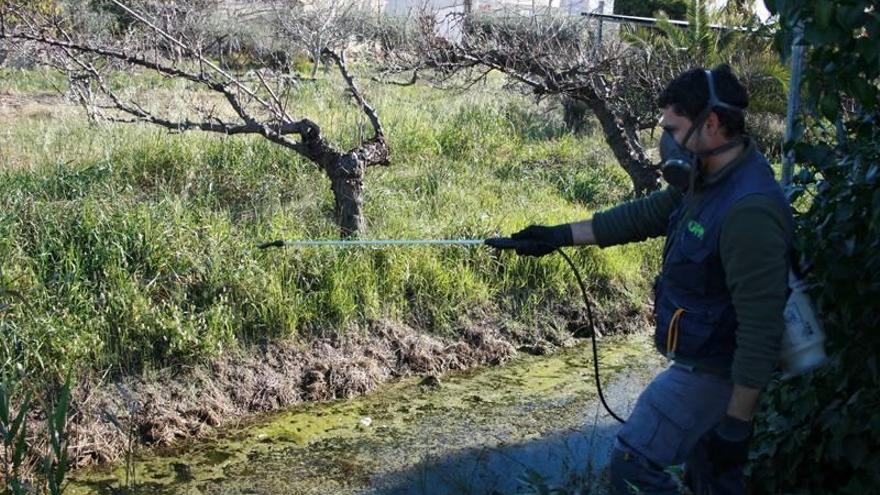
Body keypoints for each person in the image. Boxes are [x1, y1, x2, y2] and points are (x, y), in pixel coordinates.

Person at [492, 66, 793, 494]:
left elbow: (761, 327)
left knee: (635, 461)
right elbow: (643, 216)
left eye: (672, 128)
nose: (665, 140)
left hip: (714, 371)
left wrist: (736, 425)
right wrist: (557, 236)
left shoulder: (749, 210)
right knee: (708, 476)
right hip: (703, 358)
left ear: (710, 123)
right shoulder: (708, 175)